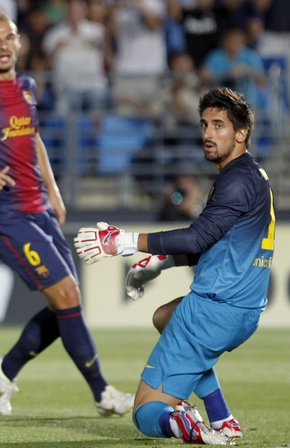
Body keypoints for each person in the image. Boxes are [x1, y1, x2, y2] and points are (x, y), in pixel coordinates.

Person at [0, 12, 135, 418]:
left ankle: (4, 371)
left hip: (39, 207)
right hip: (5, 215)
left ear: (19, 42)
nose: (3, 45)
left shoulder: (27, 86)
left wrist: (54, 191)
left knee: (67, 306)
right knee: (69, 297)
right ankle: (103, 393)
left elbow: (33, 137)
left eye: (10, 38)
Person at [74, 87, 273, 444]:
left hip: (213, 310)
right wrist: (159, 265)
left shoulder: (235, 180)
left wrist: (123, 242)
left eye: (219, 125)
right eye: (204, 125)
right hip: (244, 311)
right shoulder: (252, 176)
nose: (208, 134)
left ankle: (190, 427)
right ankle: (222, 418)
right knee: (165, 316)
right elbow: (213, 243)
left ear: (241, 132)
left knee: (144, 413)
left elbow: (197, 237)